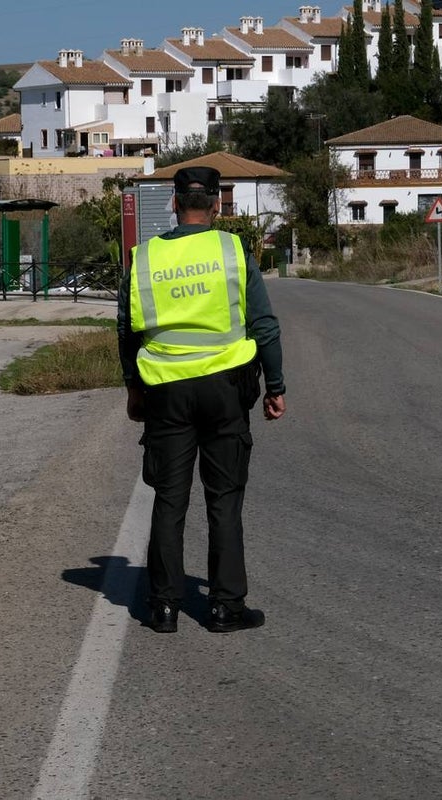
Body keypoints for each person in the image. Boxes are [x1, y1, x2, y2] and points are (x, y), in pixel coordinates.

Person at [117, 166, 286, 634]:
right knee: (224, 499)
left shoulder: (143, 258)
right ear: (216, 206)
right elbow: (264, 325)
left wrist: (134, 388)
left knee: (169, 499)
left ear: (174, 202)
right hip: (226, 390)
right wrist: (276, 387)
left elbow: (127, 330)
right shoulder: (232, 250)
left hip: (166, 391)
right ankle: (226, 607)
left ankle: (164, 607)